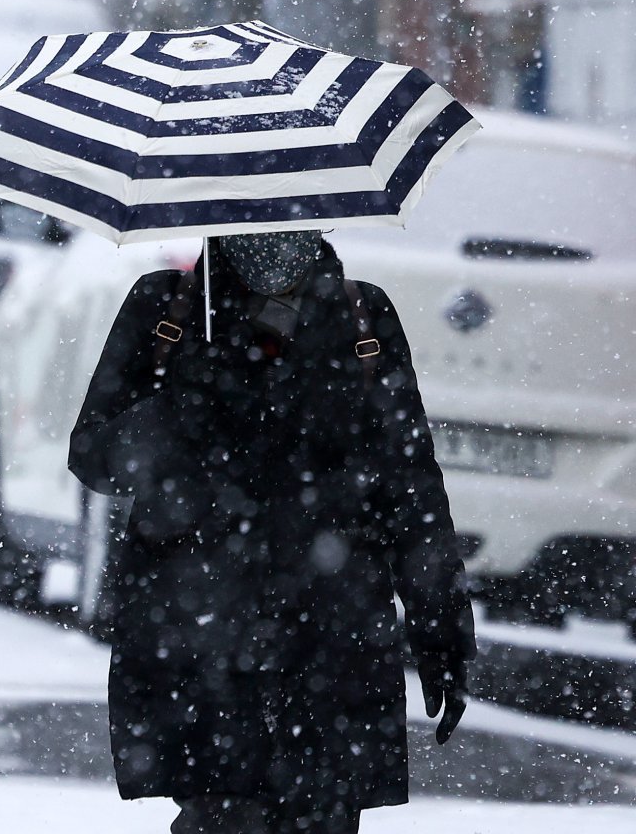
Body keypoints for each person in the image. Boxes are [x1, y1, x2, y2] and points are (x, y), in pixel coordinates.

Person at [68, 231, 473, 834]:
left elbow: (410, 487)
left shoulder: (362, 316)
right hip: (204, 637)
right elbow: (93, 455)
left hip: (333, 640)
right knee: (221, 818)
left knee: (323, 818)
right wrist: (177, 406)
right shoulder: (168, 309)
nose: (273, 243)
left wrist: (441, 628)